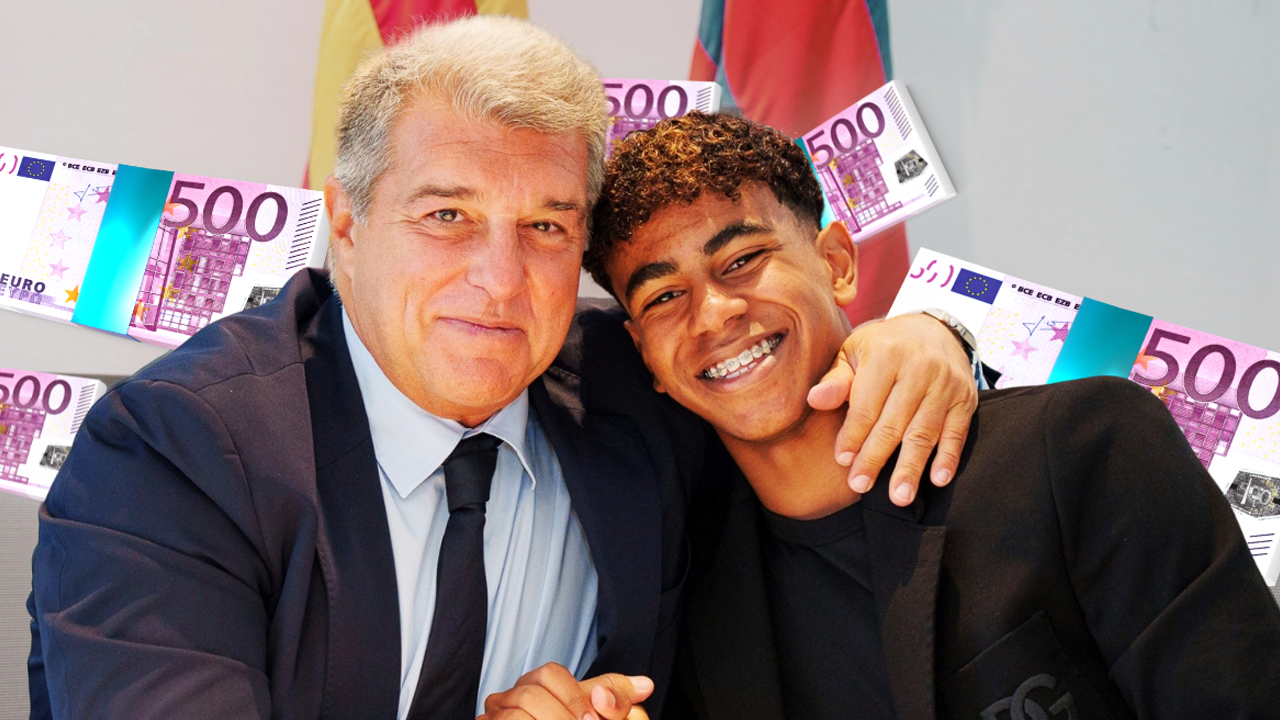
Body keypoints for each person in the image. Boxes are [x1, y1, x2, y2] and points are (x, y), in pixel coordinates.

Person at [26, 17, 982, 720]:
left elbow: (773, 383)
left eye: (546, 227)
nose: (500, 280)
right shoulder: (175, 455)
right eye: (447, 216)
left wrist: (930, 336)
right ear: (347, 227)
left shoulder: (633, 384)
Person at [567, 112, 1280, 719]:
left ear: (837, 263)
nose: (714, 315)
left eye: (742, 260)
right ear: (645, 356)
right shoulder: (691, 603)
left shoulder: (1085, 451)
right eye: (663, 297)